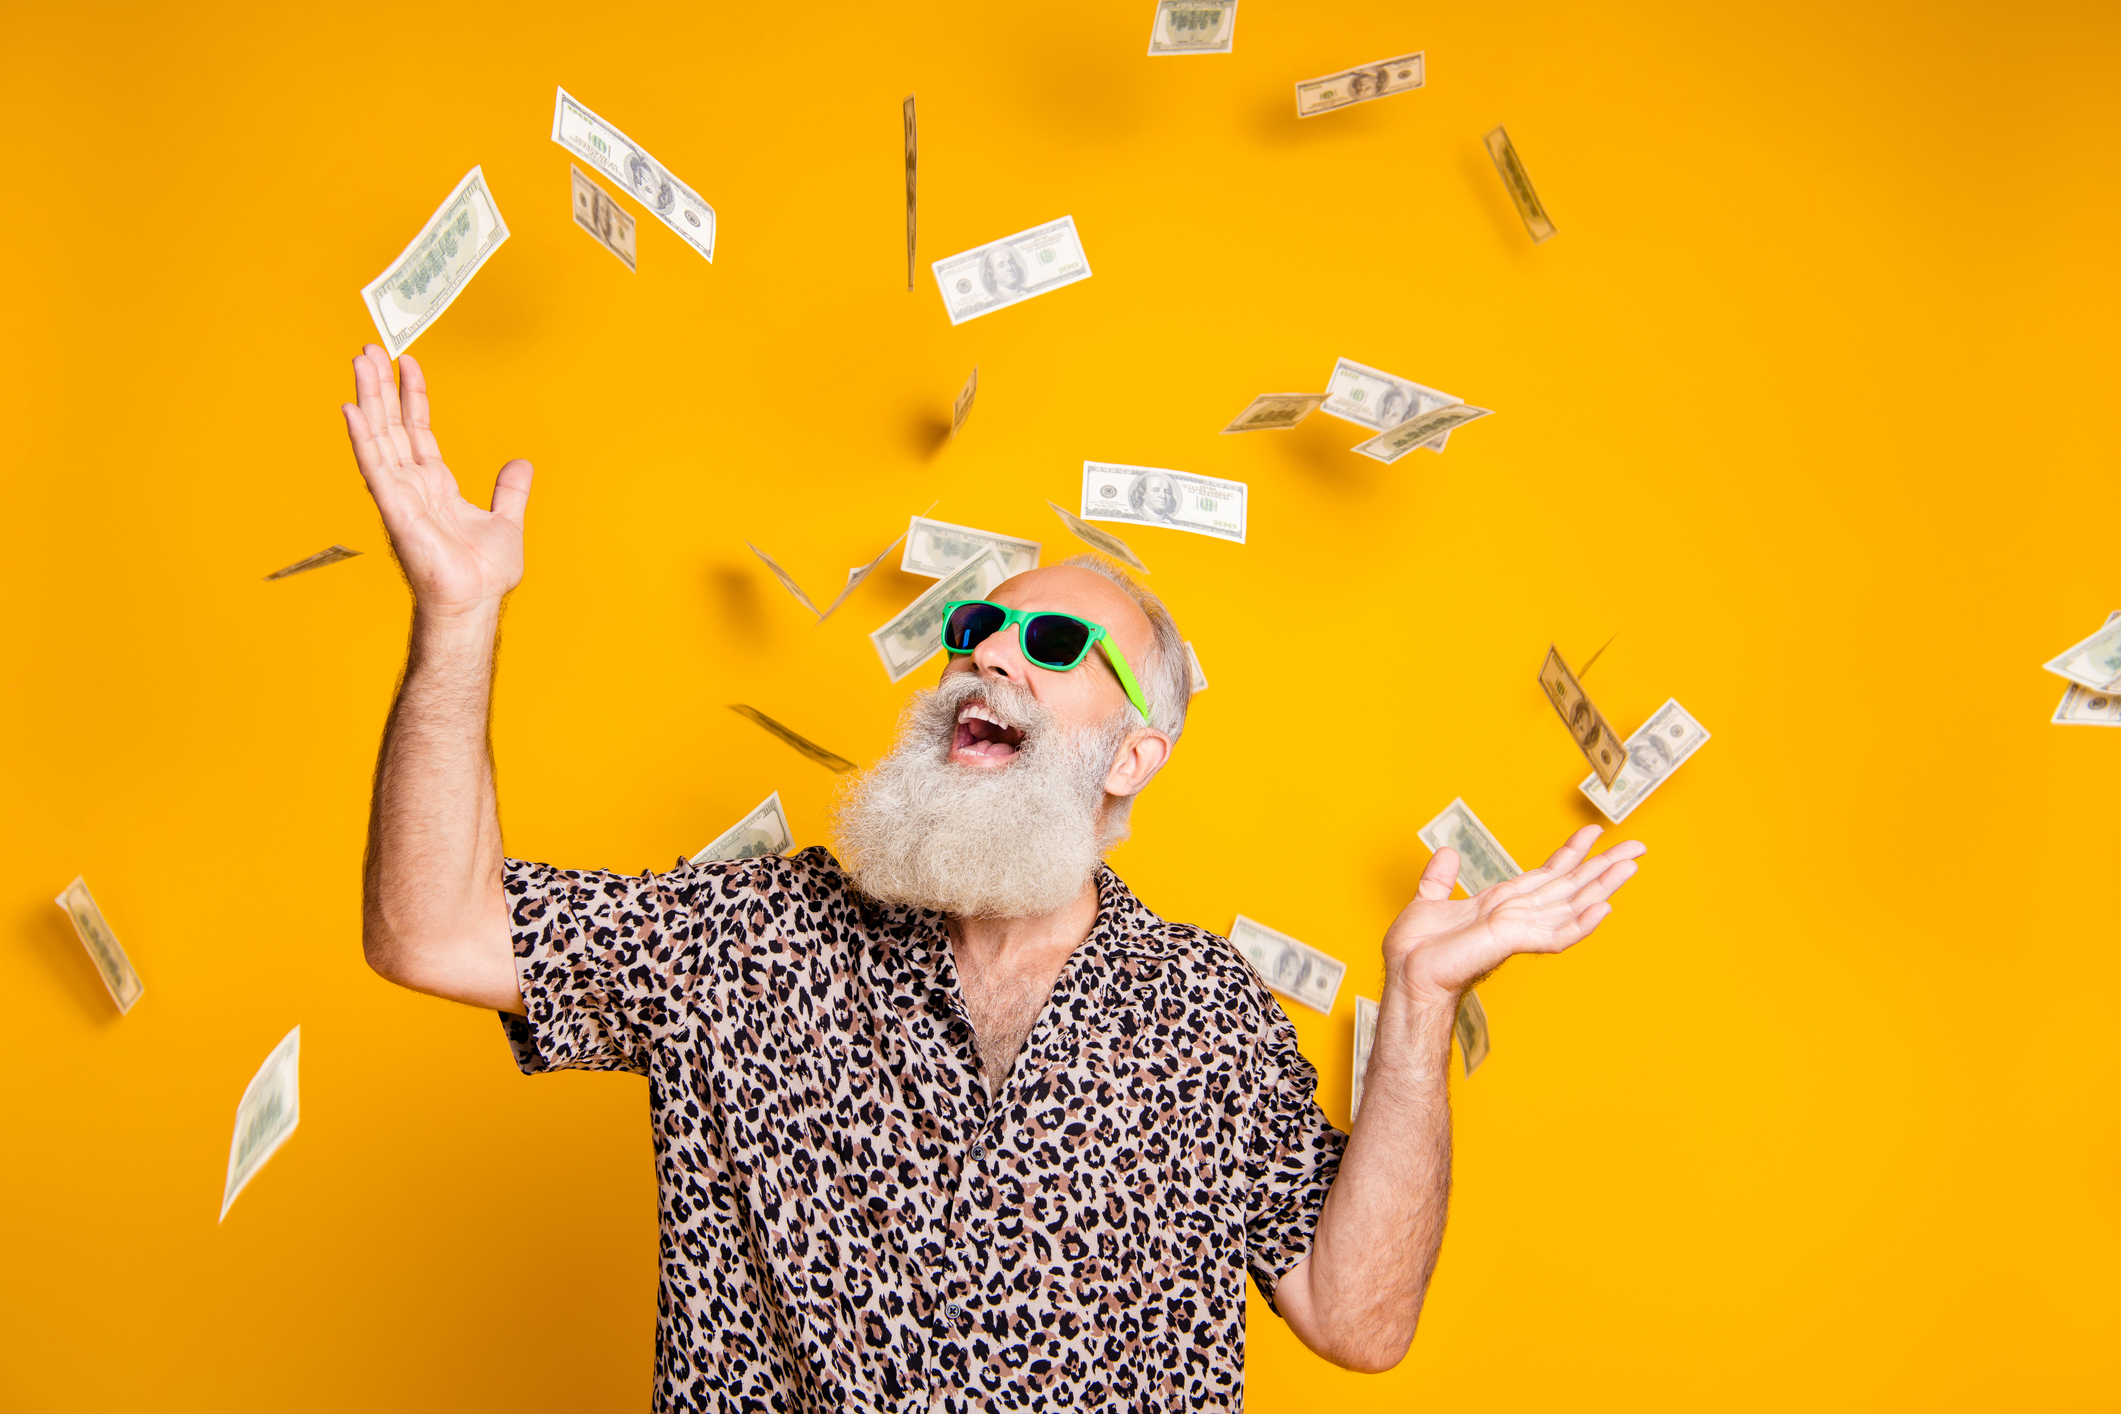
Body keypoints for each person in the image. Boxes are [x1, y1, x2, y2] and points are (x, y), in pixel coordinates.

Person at [340, 346, 1646, 1412]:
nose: (994, 656)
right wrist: (457, 617)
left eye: (1056, 642)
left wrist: (1415, 1004)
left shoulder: (1203, 1015)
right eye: (976, 628)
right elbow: (434, 929)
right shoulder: (751, 936)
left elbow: (1357, 1317)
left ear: (1136, 751)